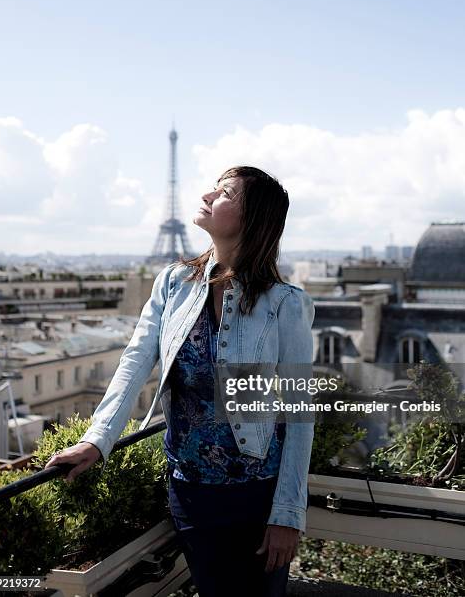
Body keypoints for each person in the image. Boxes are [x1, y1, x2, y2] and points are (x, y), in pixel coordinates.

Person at [45, 165, 316, 597]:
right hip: (190, 490)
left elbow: (300, 414)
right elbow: (136, 361)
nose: (208, 195)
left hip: (258, 494)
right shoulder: (173, 284)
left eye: (224, 192)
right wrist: (97, 439)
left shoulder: (284, 304)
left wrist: (287, 512)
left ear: (252, 218)